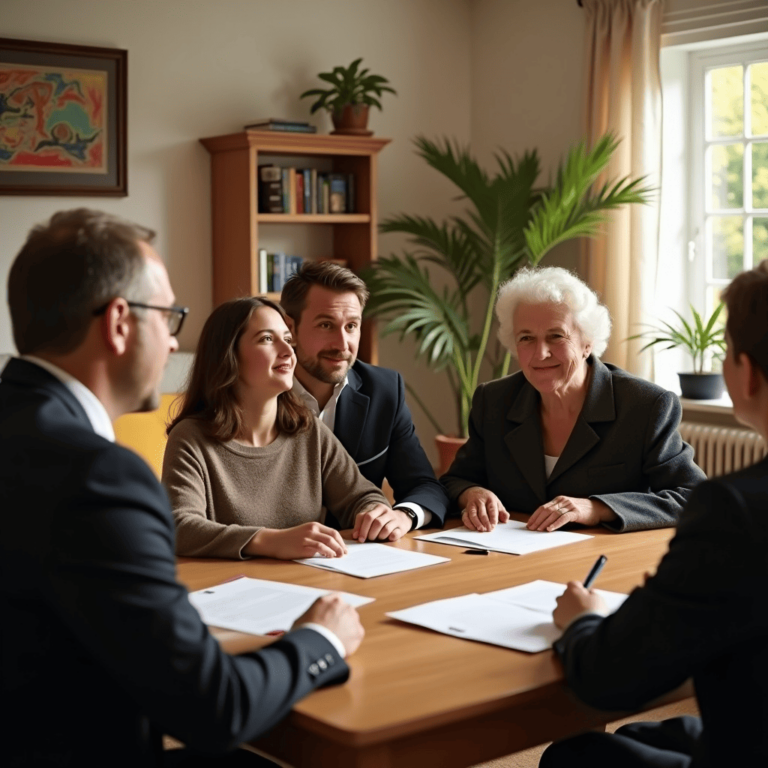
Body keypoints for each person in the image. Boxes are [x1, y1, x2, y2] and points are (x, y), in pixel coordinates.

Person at [1, 209, 364, 768]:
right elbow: (215, 708)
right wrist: (322, 642)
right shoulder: (98, 478)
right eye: (168, 317)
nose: (174, 344)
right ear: (120, 323)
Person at [540, 262, 768, 768]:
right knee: (649, 733)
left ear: (745, 373)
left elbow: (609, 679)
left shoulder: (734, 511)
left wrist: (584, 622)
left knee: (573, 756)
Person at [441, 266, 705, 533]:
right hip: (508, 556)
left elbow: (694, 496)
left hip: (603, 560)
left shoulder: (644, 406)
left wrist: (597, 508)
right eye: (526, 338)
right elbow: (456, 480)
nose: (540, 353)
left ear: (587, 343)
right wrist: (472, 493)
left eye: (556, 336)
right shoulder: (494, 400)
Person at [163, 296, 394, 559]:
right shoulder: (191, 438)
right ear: (229, 356)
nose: (287, 351)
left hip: (310, 582)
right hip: (235, 591)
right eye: (266, 339)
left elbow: (361, 496)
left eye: (287, 338)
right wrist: (269, 541)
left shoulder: (308, 430)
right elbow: (179, 526)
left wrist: (375, 513)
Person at [280, 261, 449, 540]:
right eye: (326, 325)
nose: (342, 343)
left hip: (358, 553)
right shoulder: (258, 393)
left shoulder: (383, 390)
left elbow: (424, 485)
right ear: (291, 329)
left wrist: (402, 516)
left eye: (352, 326)